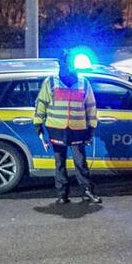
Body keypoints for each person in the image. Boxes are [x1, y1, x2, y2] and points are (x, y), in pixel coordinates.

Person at [33, 52, 102, 204]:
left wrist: (91, 127)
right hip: (56, 129)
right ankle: (62, 194)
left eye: (70, 64)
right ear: (61, 65)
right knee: (59, 163)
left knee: (80, 162)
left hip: (78, 130)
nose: (67, 67)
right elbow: (41, 103)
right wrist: (38, 124)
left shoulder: (84, 83)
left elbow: (90, 107)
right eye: (65, 63)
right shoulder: (50, 82)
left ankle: (87, 191)